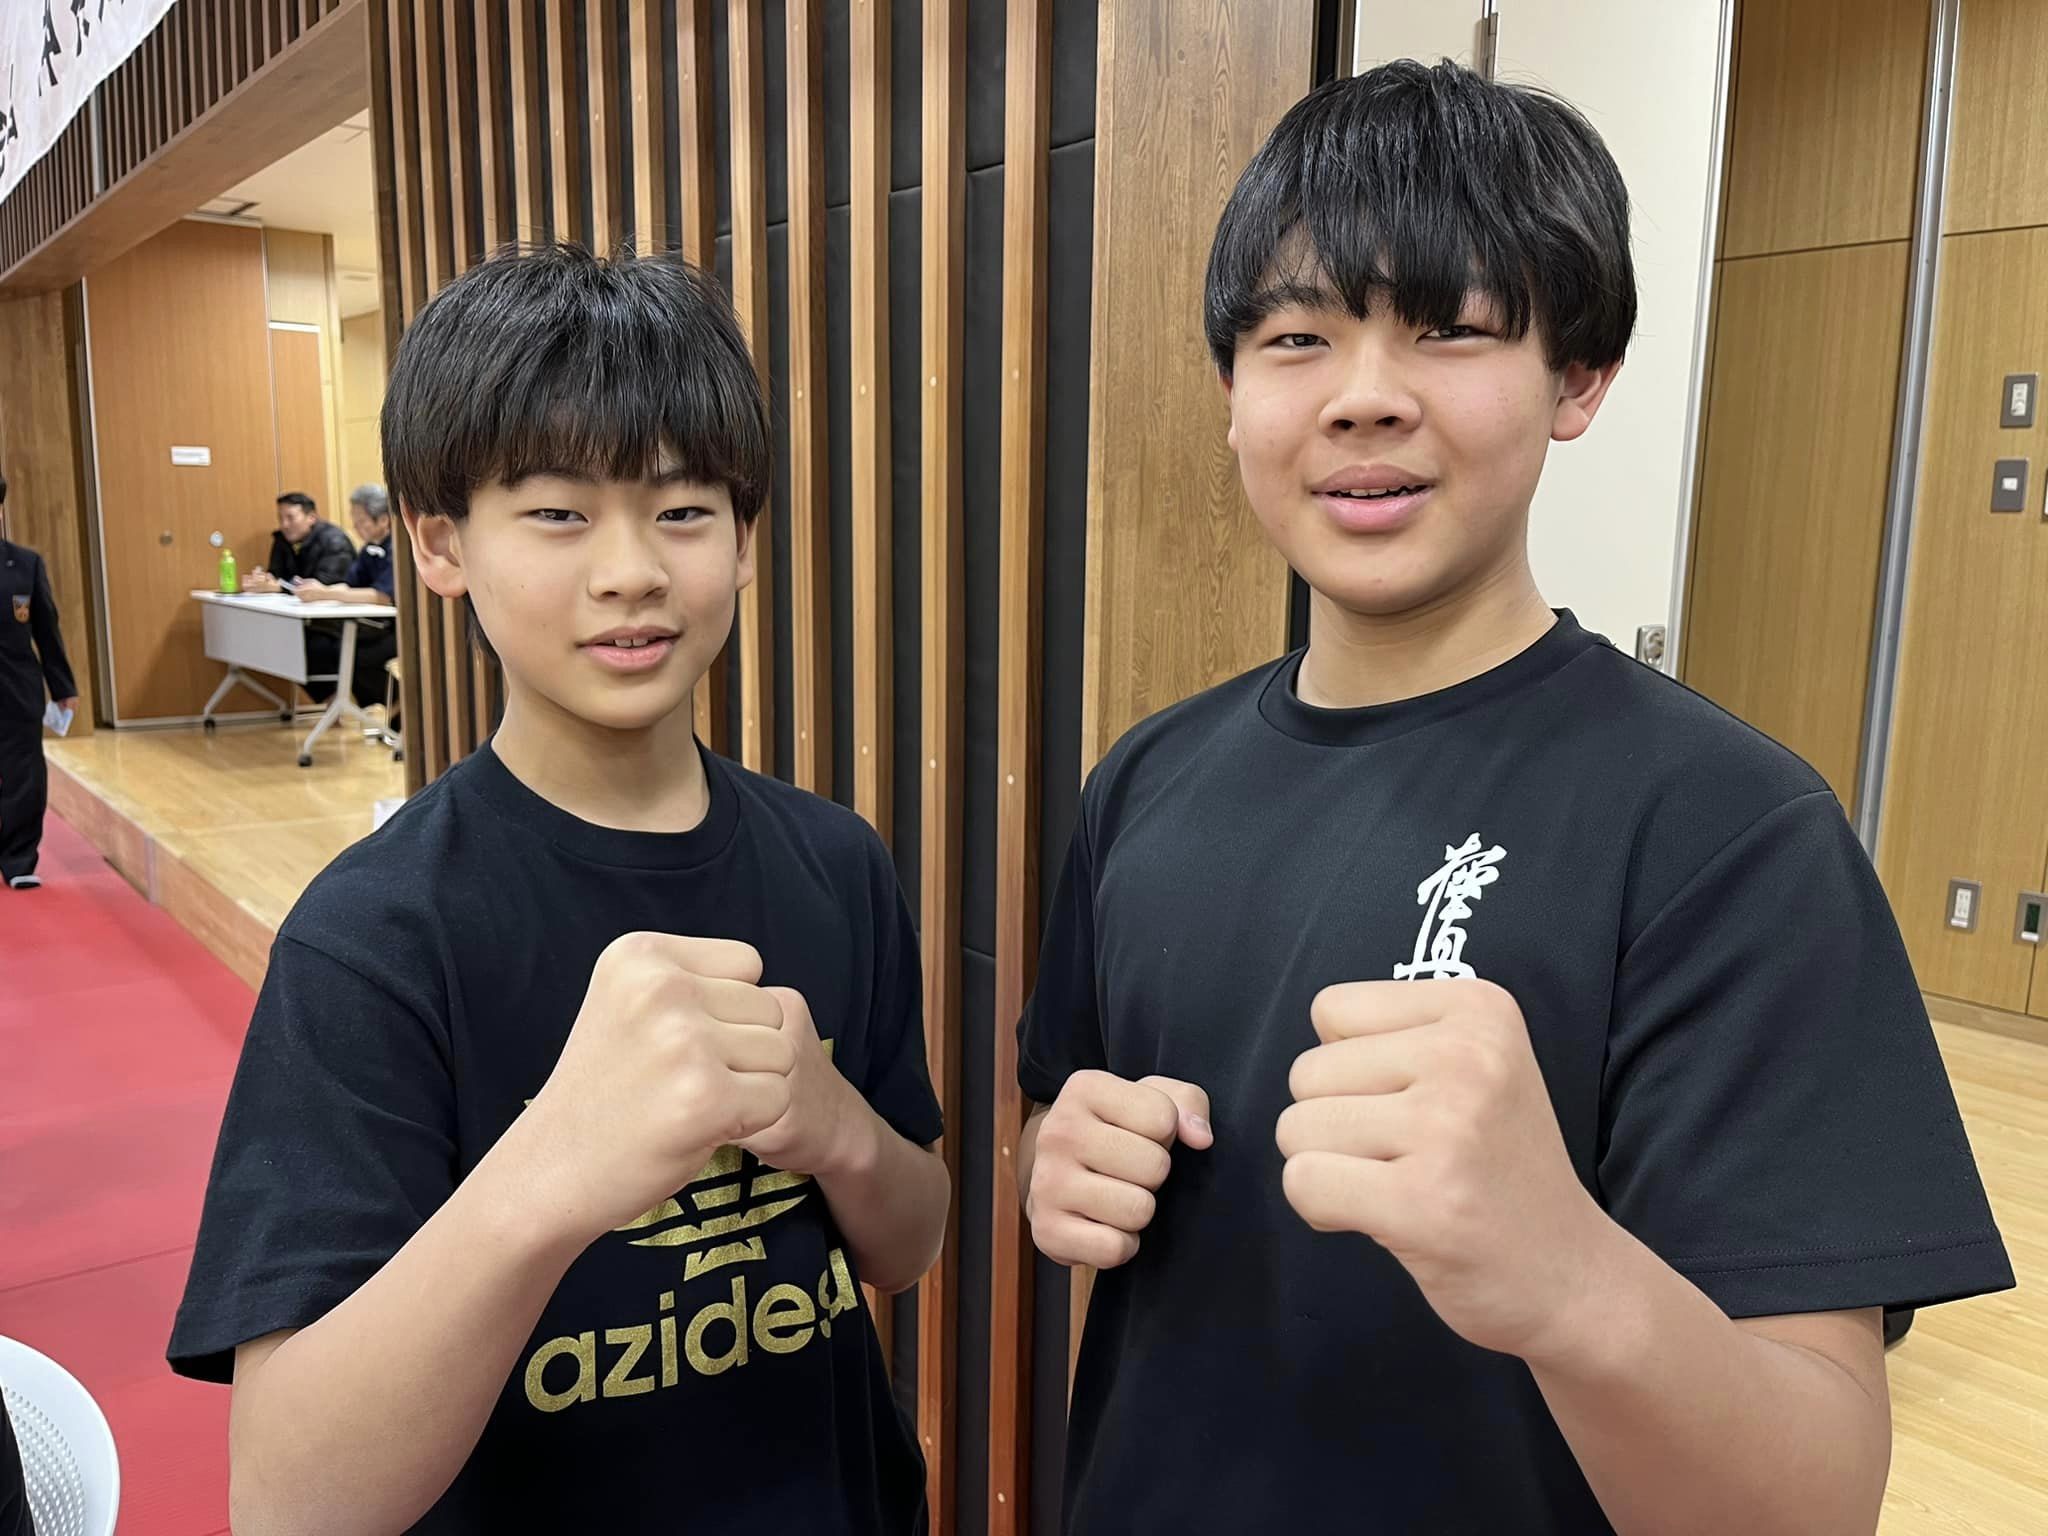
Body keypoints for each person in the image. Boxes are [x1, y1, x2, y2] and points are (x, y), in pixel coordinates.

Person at [1016, 61, 2012, 1536]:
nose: (1363, 396)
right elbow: (1059, 1108)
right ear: (1231, 392)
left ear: (1577, 378)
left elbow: (1813, 1500)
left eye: (1449, 329)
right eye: (1296, 338)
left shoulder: (1729, 835)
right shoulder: (1146, 777)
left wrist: (1562, 1273)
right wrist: (1059, 1160)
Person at [168, 246, 949, 1534]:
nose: (631, 569)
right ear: (439, 543)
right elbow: (290, 1505)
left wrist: (829, 1124)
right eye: (557, 513)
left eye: (682, 510)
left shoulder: (835, 862)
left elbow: (906, 1244)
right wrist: (552, 1165)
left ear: (744, 542)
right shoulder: (374, 937)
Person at [0, 468, 79, 892]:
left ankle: (18, 859)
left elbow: (47, 628)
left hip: (17, 686)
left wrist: (62, 687)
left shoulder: (25, 564)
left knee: (25, 775)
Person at [296, 483, 399, 716]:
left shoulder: (396, 549)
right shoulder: (369, 549)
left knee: (356, 654)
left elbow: (382, 596)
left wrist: (326, 593)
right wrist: (319, 589)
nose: (355, 527)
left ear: (383, 520)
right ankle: (384, 706)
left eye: (361, 521)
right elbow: (351, 585)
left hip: (400, 628)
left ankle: (395, 704)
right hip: (374, 625)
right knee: (328, 646)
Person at [242, 491, 353, 592]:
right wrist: (264, 580)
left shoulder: (334, 541)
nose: (284, 525)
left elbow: (324, 583)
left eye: (290, 518)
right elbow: (276, 574)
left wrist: (280, 587)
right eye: (280, 518)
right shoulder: (282, 538)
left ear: (311, 518)